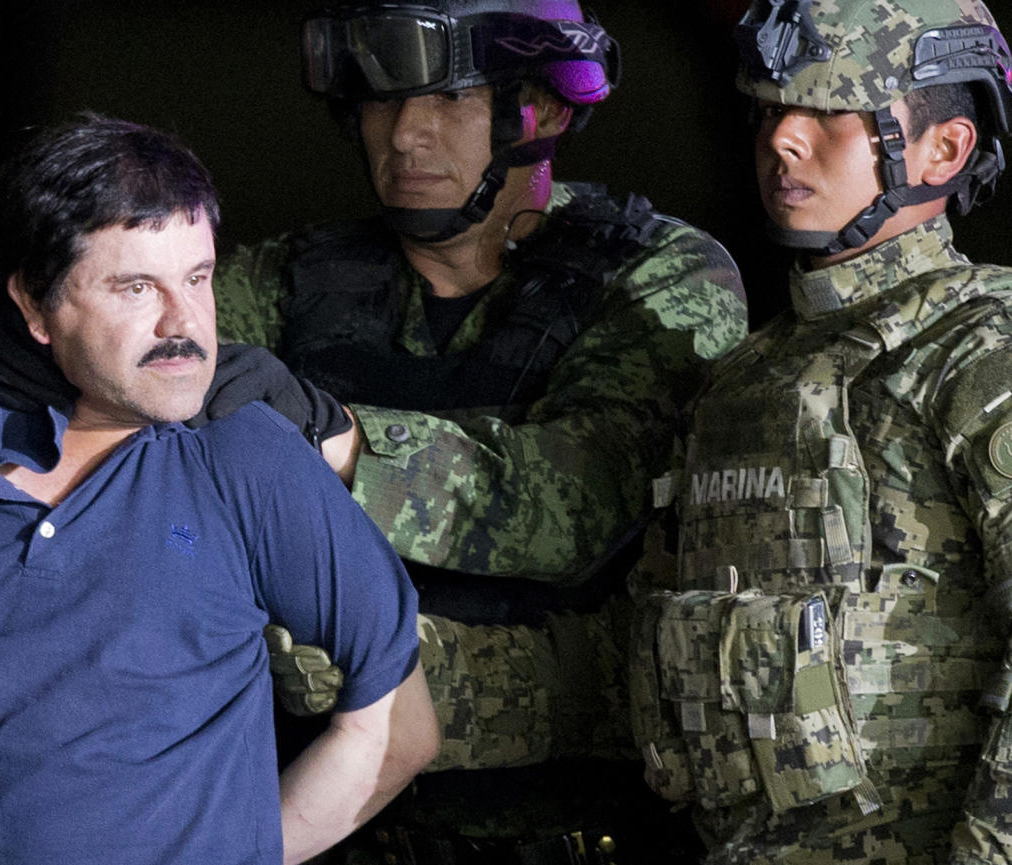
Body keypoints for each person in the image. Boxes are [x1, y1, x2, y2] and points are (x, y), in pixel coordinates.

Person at [0, 114, 439, 865]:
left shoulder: (247, 455)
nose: (185, 322)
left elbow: (398, 729)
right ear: (33, 303)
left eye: (198, 276)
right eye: (135, 286)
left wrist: (239, 847)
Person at [209, 0, 748, 858]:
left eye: (451, 101)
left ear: (551, 109)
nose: (408, 135)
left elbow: (581, 501)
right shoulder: (295, 278)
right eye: (384, 102)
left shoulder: (659, 275)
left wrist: (342, 442)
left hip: (562, 823)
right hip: (333, 818)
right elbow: (142, 355)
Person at [626, 0, 1012, 861]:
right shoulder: (739, 384)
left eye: (830, 110)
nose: (782, 140)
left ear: (942, 149)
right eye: (770, 110)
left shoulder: (980, 349)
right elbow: (643, 662)